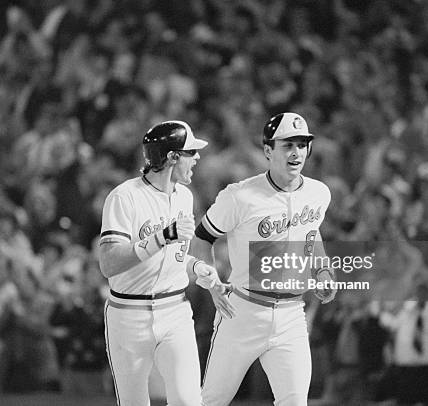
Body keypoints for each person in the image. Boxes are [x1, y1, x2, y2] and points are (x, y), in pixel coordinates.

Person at [190, 112, 337, 406]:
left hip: (291, 314)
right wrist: (211, 280)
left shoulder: (319, 193)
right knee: (212, 400)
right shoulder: (240, 196)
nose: (296, 152)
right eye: (287, 145)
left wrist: (322, 269)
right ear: (268, 151)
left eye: (301, 144)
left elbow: (311, 233)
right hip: (243, 311)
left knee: (295, 402)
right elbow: (201, 238)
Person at [99, 120, 211, 405]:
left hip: (175, 311)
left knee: (188, 401)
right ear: (172, 157)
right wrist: (161, 237)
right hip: (128, 314)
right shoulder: (125, 197)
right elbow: (109, 263)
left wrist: (196, 267)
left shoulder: (185, 196)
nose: (197, 157)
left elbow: (174, 256)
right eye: (190, 152)